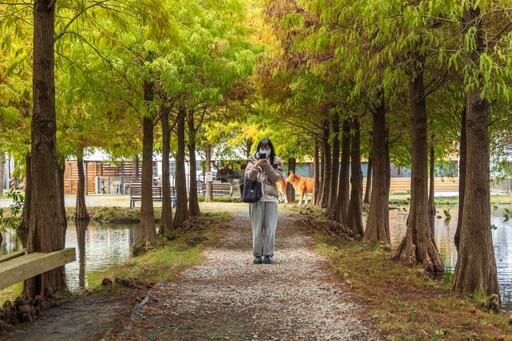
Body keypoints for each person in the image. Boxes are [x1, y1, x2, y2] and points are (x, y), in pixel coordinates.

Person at [244, 138, 284, 264]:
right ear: (258, 148)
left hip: (271, 198)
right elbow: (249, 177)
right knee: (256, 229)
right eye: (262, 148)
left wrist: (267, 165)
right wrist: (256, 165)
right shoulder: (251, 160)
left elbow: (276, 178)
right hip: (255, 198)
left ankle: (268, 254)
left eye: (267, 148)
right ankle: (257, 255)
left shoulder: (277, 161)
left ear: (270, 149)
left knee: (270, 228)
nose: (264, 150)